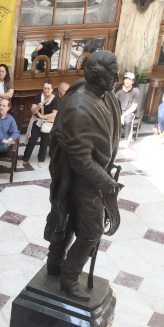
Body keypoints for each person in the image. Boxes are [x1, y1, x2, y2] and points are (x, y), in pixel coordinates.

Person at [45, 50, 122, 301]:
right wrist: (107, 181)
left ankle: (55, 264)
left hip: (92, 172)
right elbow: (81, 160)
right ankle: (68, 278)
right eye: (112, 74)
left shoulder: (102, 94)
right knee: (91, 229)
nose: (117, 78)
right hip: (79, 176)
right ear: (96, 77)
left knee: (67, 221)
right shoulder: (80, 107)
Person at [23, 80, 58, 167]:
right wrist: (38, 107)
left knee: (44, 142)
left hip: (47, 122)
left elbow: (54, 114)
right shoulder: (39, 97)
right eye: (44, 88)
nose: (46, 90)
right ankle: (25, 159)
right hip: (37, 121)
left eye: (48, 88)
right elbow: (32, 111)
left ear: (52, 89)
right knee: (32, 140)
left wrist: (43, 116)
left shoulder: (55, 99)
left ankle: (41, 159)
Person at [115, 72, 140, 148]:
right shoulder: (118, 90)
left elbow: (134, 107)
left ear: (133, 82)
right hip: (119, 110)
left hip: (130, 111)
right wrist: (119, 115)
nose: (127, 81)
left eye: (129, 80)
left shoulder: (136, 91)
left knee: (128, 121)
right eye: (126, 79)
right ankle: (114, 139)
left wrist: (123, 116)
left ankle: (127, 140)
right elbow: (115, 103)